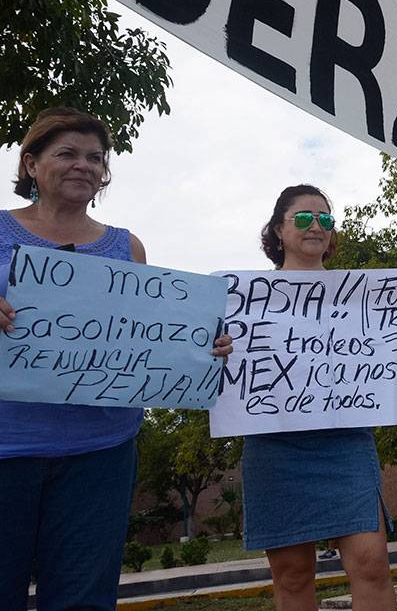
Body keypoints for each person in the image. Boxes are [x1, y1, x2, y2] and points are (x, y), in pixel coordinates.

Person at [0, 107, 232, 611]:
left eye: (95, 157)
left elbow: (153, 332)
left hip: (102, 451)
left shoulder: (126, 247)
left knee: (84, 599)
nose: (84, 165)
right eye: (67, 153)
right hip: (7, 447)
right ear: (31, 164)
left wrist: (202, 345)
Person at [239, 185, 393, 611]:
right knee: (292, 575)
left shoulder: (368, 295)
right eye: (304, 218)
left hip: (345, 443)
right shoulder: (243, 302)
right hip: (275, 446)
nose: (316, 226)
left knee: (371, 563)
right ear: (278, 231)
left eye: (325, 219)